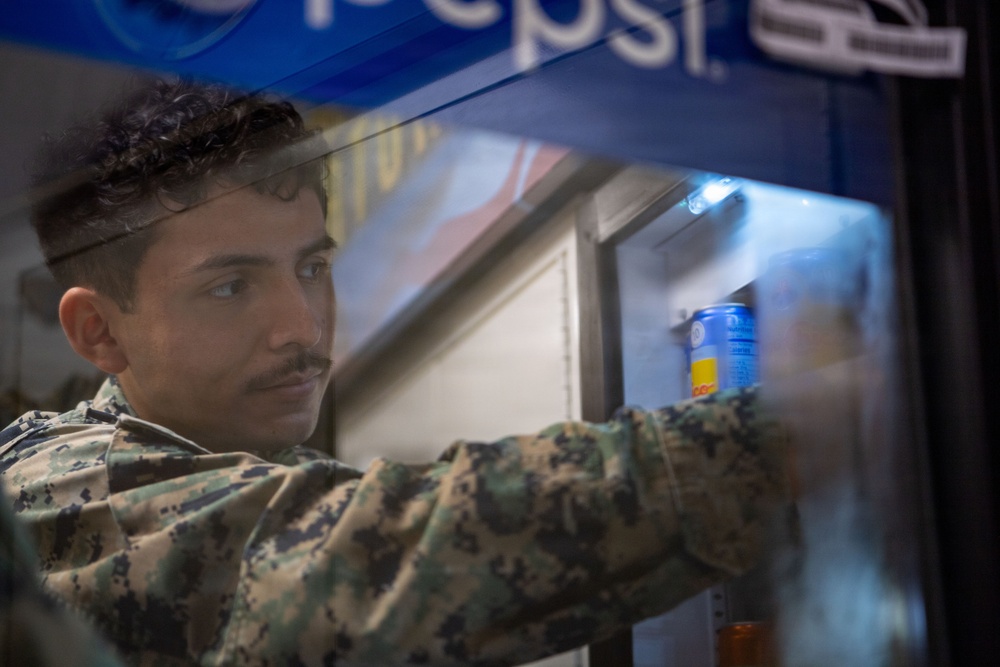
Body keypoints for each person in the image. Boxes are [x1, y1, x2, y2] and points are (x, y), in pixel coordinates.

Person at [0, 78, 788, 666]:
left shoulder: (265, 465)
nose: (303, 328)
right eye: (230, 287)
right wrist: (797, 431)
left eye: (311, 268)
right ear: (98, 330)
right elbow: (392, 550)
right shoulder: (63, 490)